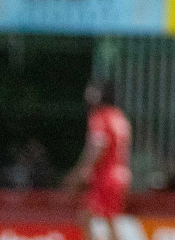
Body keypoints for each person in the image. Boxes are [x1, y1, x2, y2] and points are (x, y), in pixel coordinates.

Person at [64, 80, 132, 235]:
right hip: (121, 174)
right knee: (109, 218)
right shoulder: (120, 117)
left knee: (89, 217)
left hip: (106, 176)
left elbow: (98, 147)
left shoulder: (100, 117)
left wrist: (84, 169)